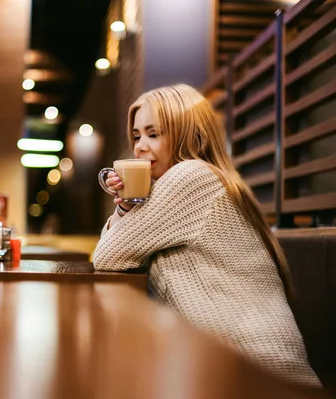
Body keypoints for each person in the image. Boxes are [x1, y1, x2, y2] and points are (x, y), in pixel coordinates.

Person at [94, 84, 321, 388]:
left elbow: (107, 256)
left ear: (190, 133)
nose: (140, 147)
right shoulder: (191, 180)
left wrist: (126, 211)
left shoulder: (190, 177)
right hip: (232, 368)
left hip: (260, 372)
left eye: (154, 133)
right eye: (136, 136)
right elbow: (114, 255)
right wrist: (127, 206)